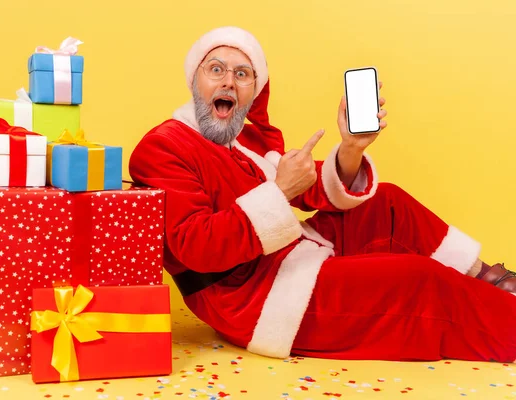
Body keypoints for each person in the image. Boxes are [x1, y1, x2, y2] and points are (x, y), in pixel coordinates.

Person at [129, 26, 516, 363]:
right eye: (216, 69)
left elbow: (312, 187)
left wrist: (351, 147)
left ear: (253, 92)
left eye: (242, 74)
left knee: (388, 201)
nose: (228, 81)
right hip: (251, 300)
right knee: (420, 280)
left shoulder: (244, 142)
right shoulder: (163, 146)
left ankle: (491, 281)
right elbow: (195, 247)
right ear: (194, 80)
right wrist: (280, 191)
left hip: (286, 259)